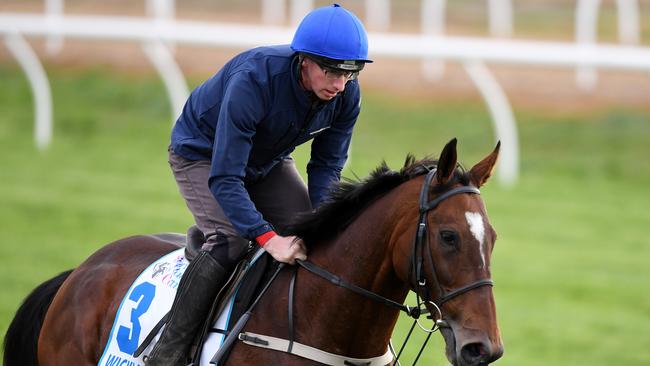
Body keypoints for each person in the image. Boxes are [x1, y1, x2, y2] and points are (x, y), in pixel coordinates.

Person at [144, 4, 372, 365]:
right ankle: (167, 351)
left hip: (268, 160)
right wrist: (268, 238)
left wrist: (323, 218)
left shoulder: (346, 95)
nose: (339, 84)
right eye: (330, 71)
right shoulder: (255, 79)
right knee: (231, 240)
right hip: (202, 154)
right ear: (304, 61)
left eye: (350, 73)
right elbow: (225, 175)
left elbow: (327, 164)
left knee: (313, 236)